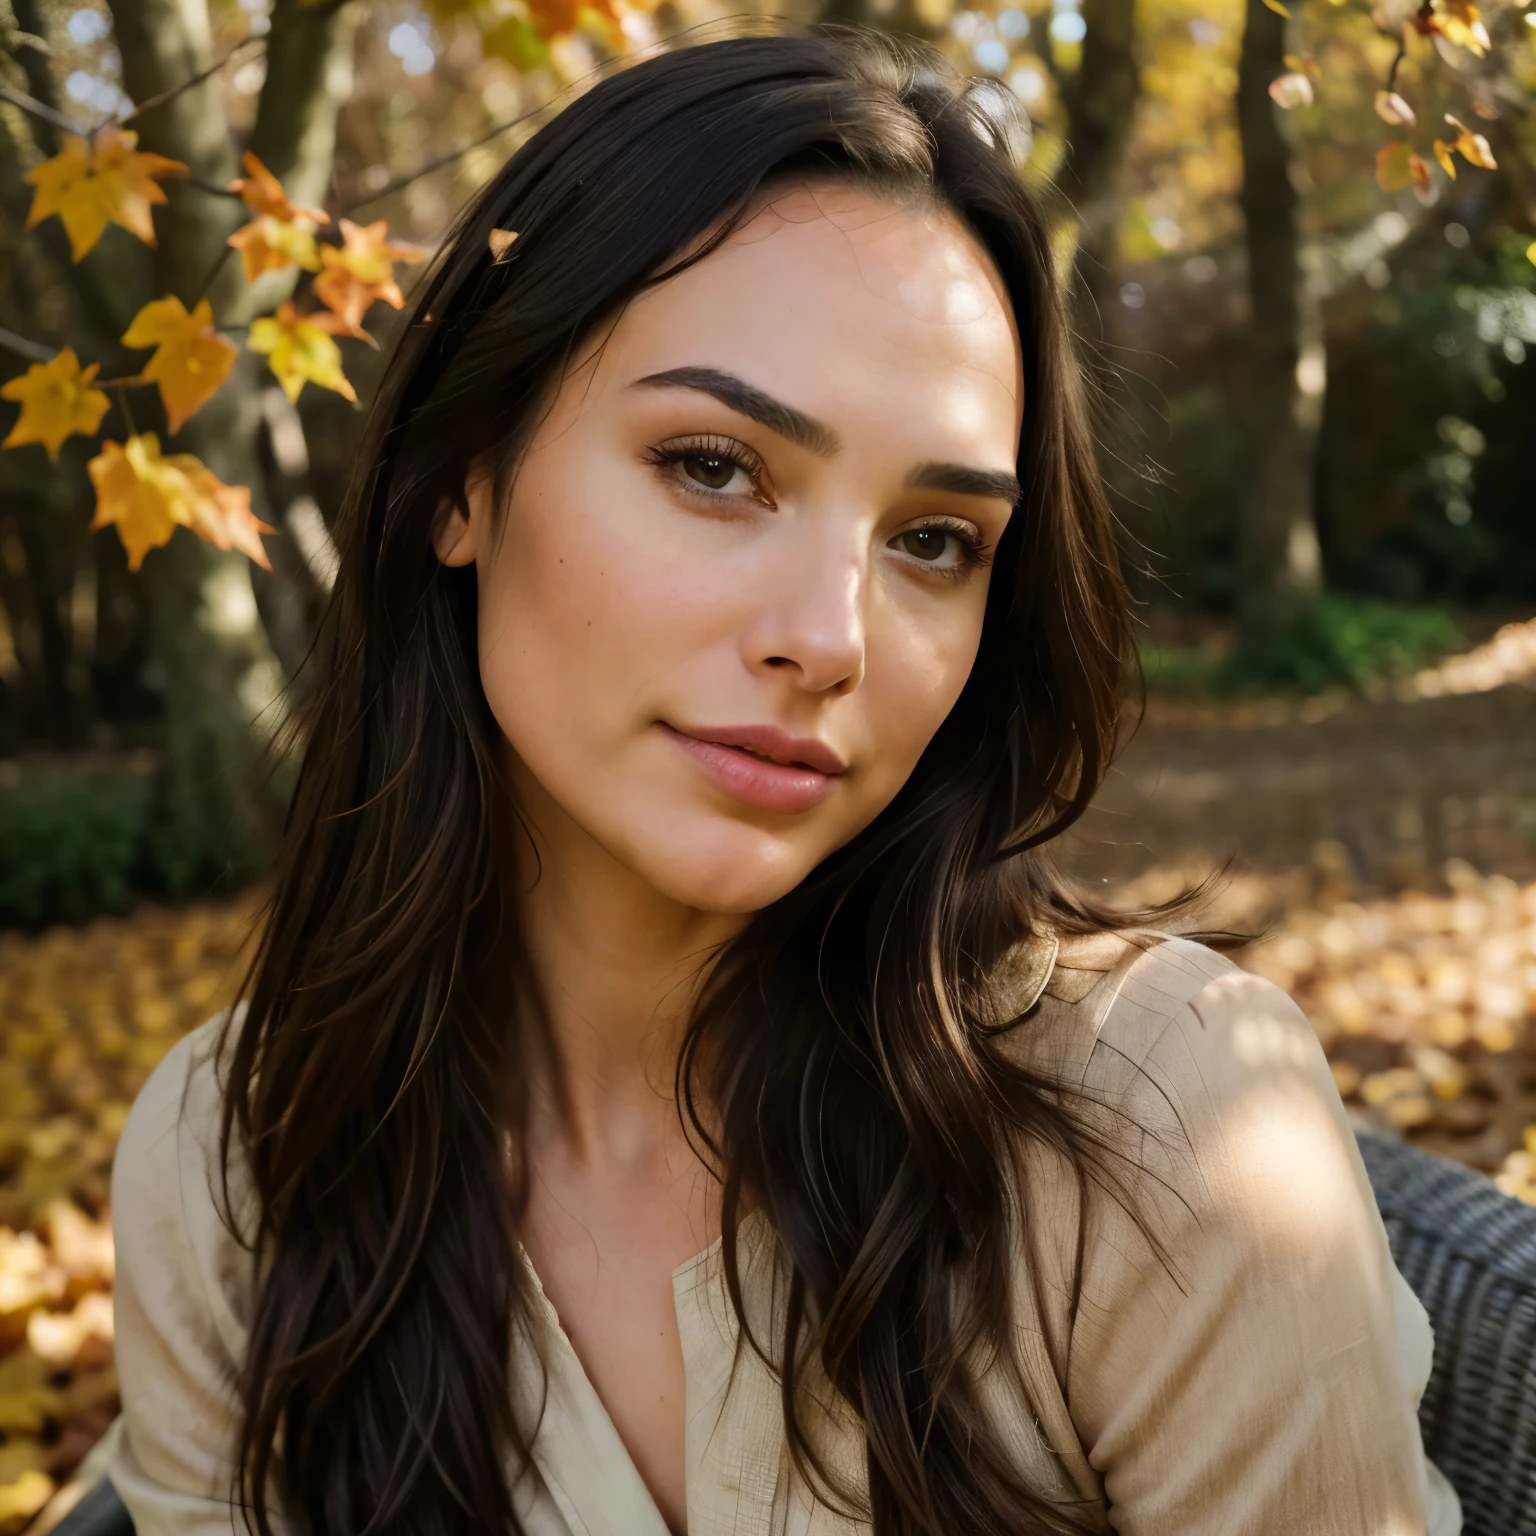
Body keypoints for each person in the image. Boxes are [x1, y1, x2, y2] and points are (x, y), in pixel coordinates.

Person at [105, 30, 1459, 1536]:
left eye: (934, 540)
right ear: (464, 478)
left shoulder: (1166, 1124)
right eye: (712, 464)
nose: (830, 639)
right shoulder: (230, 1163)